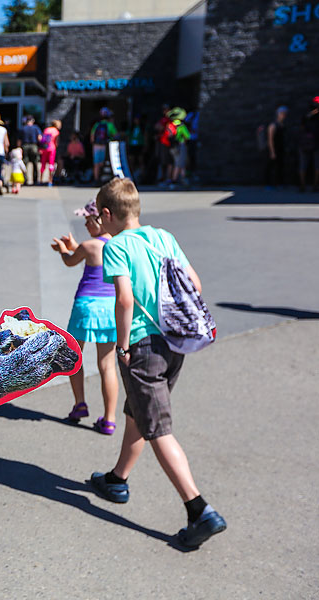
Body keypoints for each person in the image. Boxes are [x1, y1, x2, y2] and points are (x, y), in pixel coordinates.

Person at [90, 177, 226, 549]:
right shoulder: (163, 237)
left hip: (143, 345)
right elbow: (194, 283)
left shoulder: (117, 246)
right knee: (139, 411)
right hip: (173, 341)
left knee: (158, 428)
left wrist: (122, 346)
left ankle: (199, 509)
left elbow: (124, 299)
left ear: (107, 214)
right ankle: (117, 479)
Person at [50, 199, 118, 434]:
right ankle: (109, 419)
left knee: (73, 355)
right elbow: (94, 254)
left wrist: (63, 249)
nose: (86, 225)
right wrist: (76, 245)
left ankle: (80, 403)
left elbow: (70, 261)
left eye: (88, 221)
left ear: (100, 220)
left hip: (86, 307)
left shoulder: (88, 246)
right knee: (107, 365)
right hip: (109, 308)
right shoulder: (117, 245)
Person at [90, 108, 117, 184]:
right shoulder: (110, 125)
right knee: (102, 163)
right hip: (105, 145)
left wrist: (93, 143)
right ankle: (102, 179)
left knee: (96, 163)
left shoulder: (97, 125)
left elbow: (92, 137)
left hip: (96, 145)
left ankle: (96, 180)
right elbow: (116, 135)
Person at [298, 97, 319, 193]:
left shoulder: (305, 115)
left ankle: (303, 186)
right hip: (315, 144)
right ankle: (315, 186)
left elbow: (301, 127)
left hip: (304, 144)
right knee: (316, 166)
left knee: (303, 165)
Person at [266, 105, 288, 189]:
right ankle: (269, 184)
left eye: (285, 113)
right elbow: (270, 139)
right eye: (282, 113)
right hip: (273, 149)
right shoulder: (273, 125)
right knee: (271, 167)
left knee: (280, 166)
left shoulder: (282, 125)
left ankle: (279, 183)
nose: (283, 115)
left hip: (281, 149)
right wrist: (272, 152)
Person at [20, 115, 42, 185]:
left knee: (24, 163)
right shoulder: (36, 128)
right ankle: (35, 180)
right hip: (34, 146)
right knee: (35, 163)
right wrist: (40, 146)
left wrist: (19, 148)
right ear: (32, 121)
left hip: (25, 146)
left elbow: (19, 140)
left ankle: (25, 179)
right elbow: (39, 138)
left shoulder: (23, 128)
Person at [40, 119, 61, 186]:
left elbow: (42, 139)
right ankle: (50, 180)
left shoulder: (46, 130)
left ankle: (41, 179)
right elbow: (56, 142)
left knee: (43, 164)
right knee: (51, 164)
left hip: (45, 148)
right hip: (52, 148)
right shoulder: (56, 131)